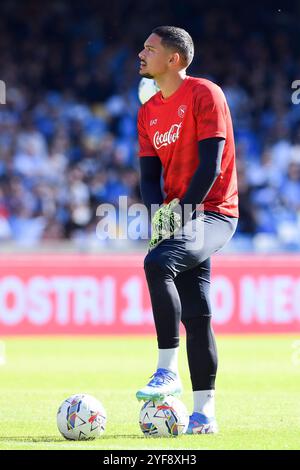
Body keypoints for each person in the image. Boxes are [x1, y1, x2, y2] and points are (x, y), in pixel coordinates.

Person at [136, 26, 238, 434]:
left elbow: (211, 167)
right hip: (181, 214)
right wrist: (157, 210)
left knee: (157, 263)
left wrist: (182, 213)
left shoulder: (205, 93)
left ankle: (166, 370)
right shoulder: (146, 111)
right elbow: (148, 176)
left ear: (174, 59)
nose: (140, 54)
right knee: (197, 315)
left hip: (214, 212)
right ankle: (204, 415)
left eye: (150, 48)